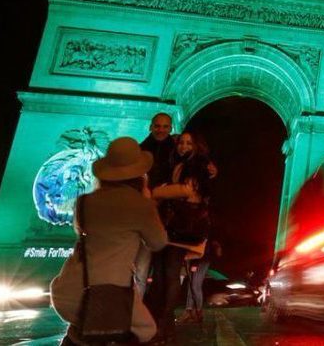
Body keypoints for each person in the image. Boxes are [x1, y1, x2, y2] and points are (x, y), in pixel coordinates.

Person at [50, 137, 168, 345]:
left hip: (68, 293)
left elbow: (81, 232)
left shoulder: (84, 202)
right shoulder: (141, 206)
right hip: (110, 298)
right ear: (140, 175)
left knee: (86, 330)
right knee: (147, 331)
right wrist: (148, 203)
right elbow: (158, 242)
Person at [145, 131, 214, 341]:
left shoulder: (199, 166)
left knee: (170, 274)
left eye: (188, 143)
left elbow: (187, 190)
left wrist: (156, 192)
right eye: (181, 142)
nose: (183, 146)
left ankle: (164, 322)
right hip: (168, 226)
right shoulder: (176, 163)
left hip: (181, 228)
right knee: (160, 275)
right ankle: (161, 323)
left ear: (197, 146)